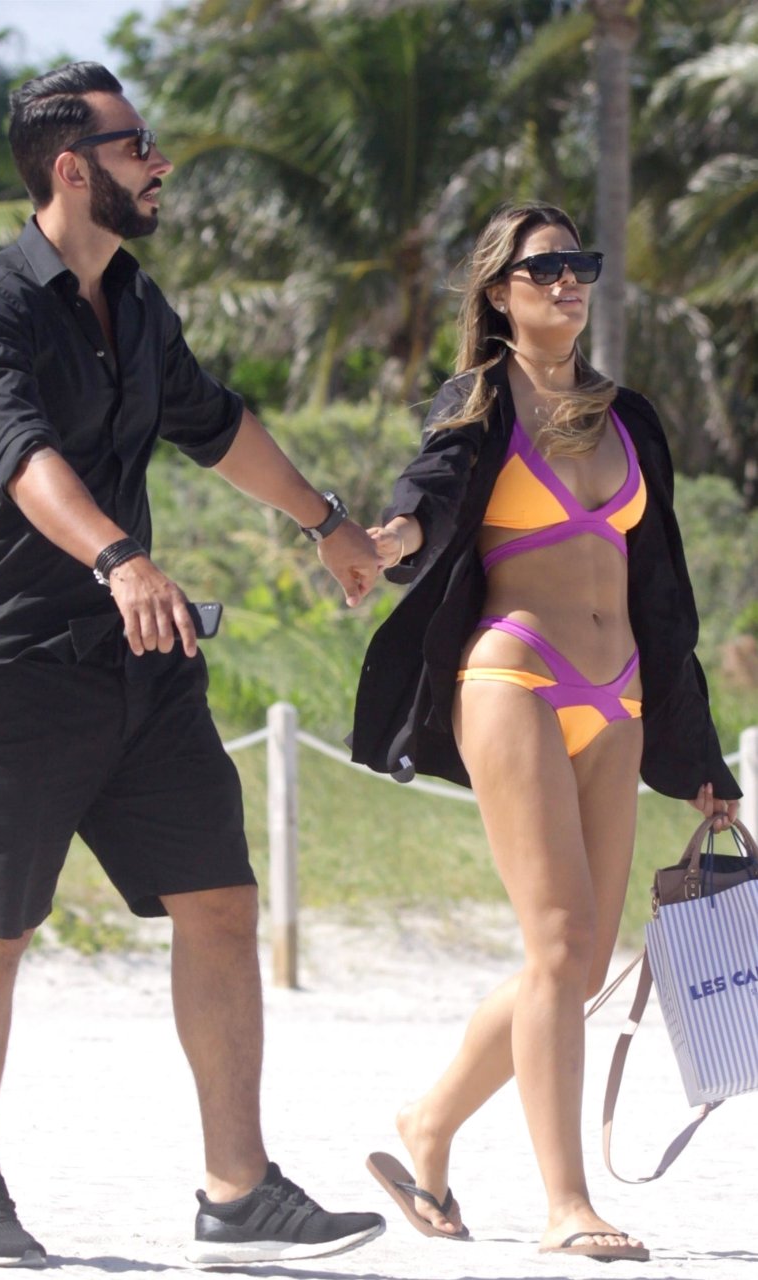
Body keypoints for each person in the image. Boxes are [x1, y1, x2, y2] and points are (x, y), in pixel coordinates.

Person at [0, 62, 385, 1268]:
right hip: (15, 660)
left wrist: (326, 521)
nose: (160, 162)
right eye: (138, 145)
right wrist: (120, 556)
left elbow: (214, 423)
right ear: (73, 169)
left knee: (218, 898)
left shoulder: (133, 300)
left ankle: (238, 1188)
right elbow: (22, 458)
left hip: (143, 658)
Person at [350, 201, 741, 1263]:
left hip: (622, 693)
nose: (568, 280)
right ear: (498, 291)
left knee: (575, 958)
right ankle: (566, 1202)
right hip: (515, 671)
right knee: (560, 943)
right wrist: (392, 537)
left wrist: (698, 756)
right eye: (544, 267)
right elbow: (430, 494)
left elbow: (662, 590)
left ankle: (428, 1122)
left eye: (580, 263)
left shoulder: (628, 416)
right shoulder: (478, 401)